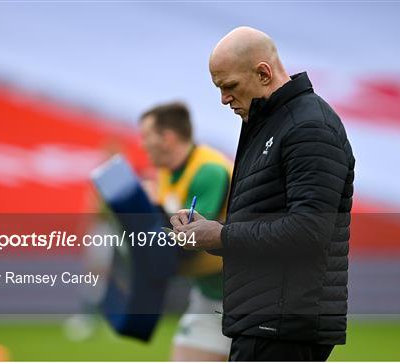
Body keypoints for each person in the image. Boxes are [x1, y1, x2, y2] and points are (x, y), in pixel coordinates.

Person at [170, 27, 355, 361]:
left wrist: (223, 236)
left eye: (229, 86)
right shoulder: (272, 124)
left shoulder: (309, 126)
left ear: (263, 73)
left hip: (282, 326)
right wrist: (210, 234)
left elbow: (309, 231)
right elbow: (266, 224)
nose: (224, 98)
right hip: (264, 321)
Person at [138, 102, 233, 361]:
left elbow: (189, 244)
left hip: (246, 300)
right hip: (207, 295)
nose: (142, 144)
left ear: (167, 138)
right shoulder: (166, 171)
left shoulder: (209, 170)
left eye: (146, 136)